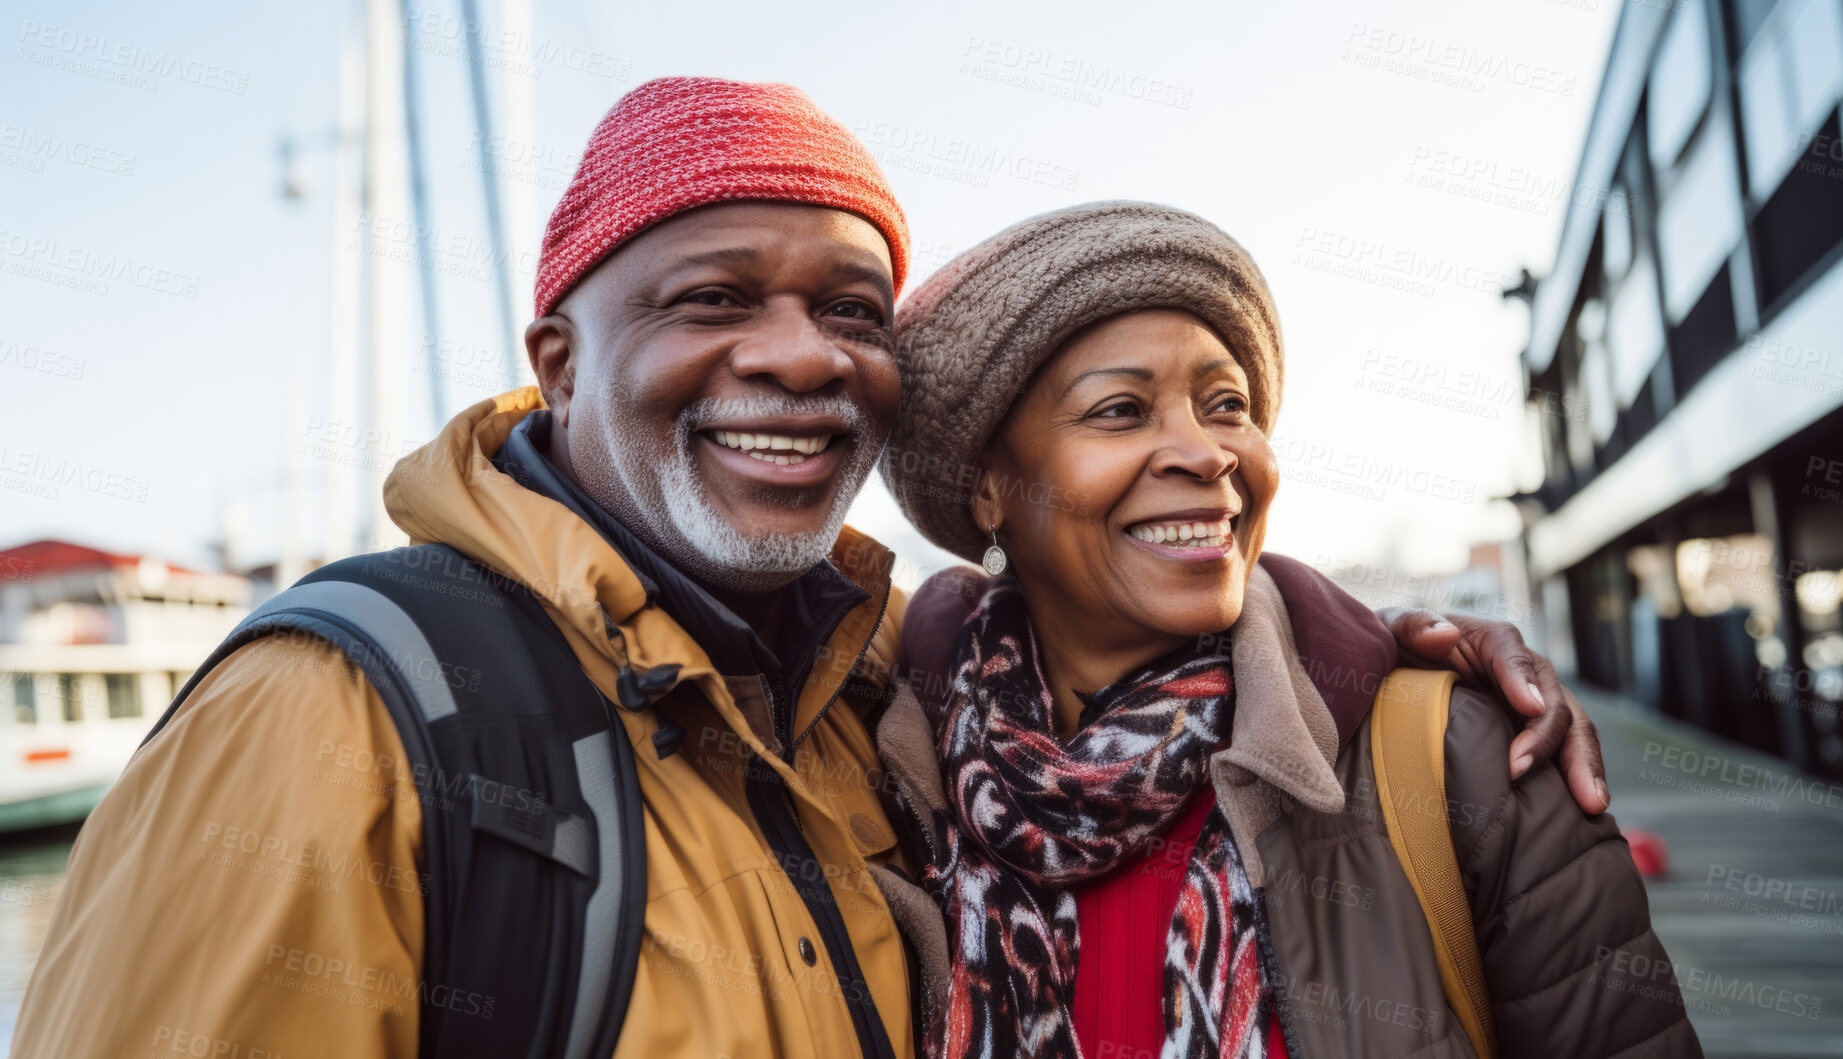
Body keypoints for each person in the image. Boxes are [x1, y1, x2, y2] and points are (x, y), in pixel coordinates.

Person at [14, 83, 1604, 1059]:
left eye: (851, 308)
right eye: (712, 297)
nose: (796, 357)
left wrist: (1373, 649)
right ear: (556, 359)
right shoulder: (339, 714)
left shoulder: (869, 704)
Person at [871, 201, 1700, 1058]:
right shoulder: (882, 768)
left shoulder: (1470, 761)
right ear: (985, 491)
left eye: (1225, 403)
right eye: (1119, 410)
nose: (1206, 452)